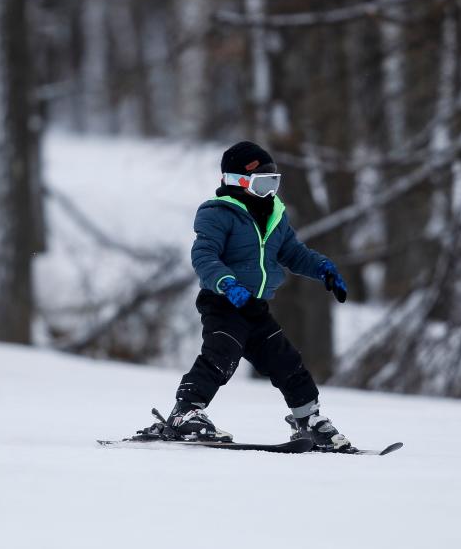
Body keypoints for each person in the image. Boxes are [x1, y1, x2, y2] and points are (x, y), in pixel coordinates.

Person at [137, 141, 351, 450]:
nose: (270, 192)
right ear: (238, 181)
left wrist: (323, 269)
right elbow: (204, 256)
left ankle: (308, 420)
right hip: (224, 300)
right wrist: (228, 284)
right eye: (262, 184)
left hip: (255, 307)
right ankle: (186, 412)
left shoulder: (276, 215)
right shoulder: (217, 213)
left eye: (273, 183)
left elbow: (293, 253)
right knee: (221, 355)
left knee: (287, 361)